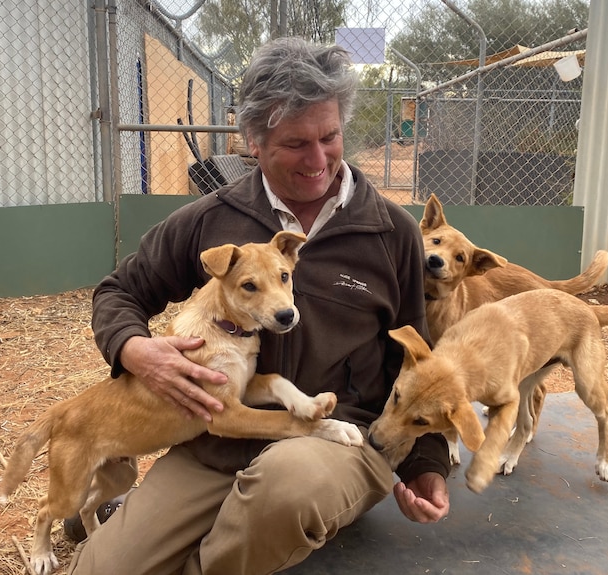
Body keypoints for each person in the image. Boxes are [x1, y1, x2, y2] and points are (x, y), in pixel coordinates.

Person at [68, 36, 451, 575]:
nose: (318, 160)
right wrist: (135, 351)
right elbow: (118, 292)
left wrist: (428, 460)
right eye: (295, 143)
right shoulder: (211, 219)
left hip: (337, 438)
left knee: (287, 489)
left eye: (330, 136)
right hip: (220, 442)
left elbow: (419, 358)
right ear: (253, 139)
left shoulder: (391, 232)